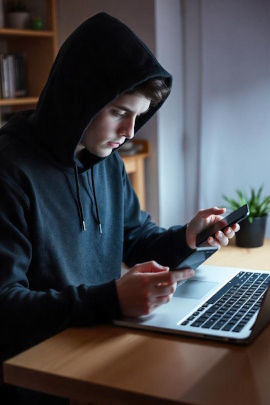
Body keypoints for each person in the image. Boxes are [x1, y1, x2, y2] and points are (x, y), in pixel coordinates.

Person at [0, 13, 239, 404]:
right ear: (78, 97)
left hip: (101, 346)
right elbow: (5, 306)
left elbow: (135, 237)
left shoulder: (106, 162)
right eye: (118, 112)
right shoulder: (10, 171)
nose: (130, 132)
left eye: (137, 115)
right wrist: (110, 299)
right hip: (40, 378)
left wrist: (187, 238)